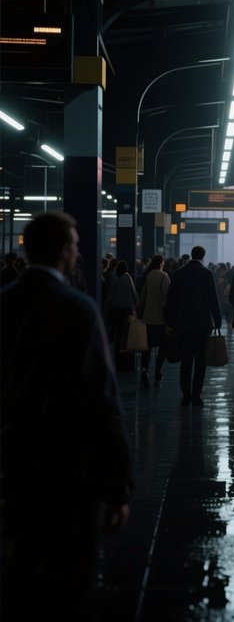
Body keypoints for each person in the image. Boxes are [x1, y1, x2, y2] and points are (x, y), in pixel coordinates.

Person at [0, 212, 131, 620]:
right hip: (69, 461)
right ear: (64, 250)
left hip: (12, 457)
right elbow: (101, 399)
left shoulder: (4, 302)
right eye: (74, 244)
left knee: (22, 556)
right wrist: (118, 485)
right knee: (72, 571)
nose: (78, 251)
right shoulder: (78, 308)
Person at [165, 245, 222, 406]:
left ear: (191, 255)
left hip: (183, 324)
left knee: (186, 360)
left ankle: (186, 394)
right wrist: (217, 320)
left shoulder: (179, 273)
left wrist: (170, 321)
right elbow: (213, 299)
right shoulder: (206, 273)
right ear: (203, 256)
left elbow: (171, 298)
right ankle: (196, 394)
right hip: (202, 325)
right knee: (200, 361)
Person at [139, 254, 171, 386]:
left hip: (147, 317)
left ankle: (144, 371)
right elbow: (168, 295)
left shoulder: (147, 275)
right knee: (162, 346)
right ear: (161, 263)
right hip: (160, 317)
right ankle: (157, 371)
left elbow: (142, 296)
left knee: (146, 348)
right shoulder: (164, 276)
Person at [110, 259, 138, 359]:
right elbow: (133, 293)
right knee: (126, 330)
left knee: (118, 329)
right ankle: (124, 350)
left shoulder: (115, 277)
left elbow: (111, 293)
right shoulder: (128, 277)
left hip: (116, 307)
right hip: (127, 307)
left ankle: (117, 349)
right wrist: (136, 303)